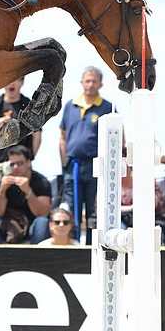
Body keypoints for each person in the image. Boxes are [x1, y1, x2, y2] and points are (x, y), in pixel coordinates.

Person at [59, 67, 114, 244]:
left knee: (93, 210)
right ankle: (71, 245)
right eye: (87, 81)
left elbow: (118, 137)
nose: (90, 85)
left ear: (101, 84)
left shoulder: (107, 107)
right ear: (82, 82)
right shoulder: (70, 105)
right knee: (70, 209)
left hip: (95, 165)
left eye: (94, 81)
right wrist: (64, 161)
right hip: (72, 165)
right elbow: (63, 136)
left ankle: (92, 247)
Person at [0, 78, 42, 215]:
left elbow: (37, 136)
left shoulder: (28, 106)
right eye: (9, 80)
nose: (12, 84)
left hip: (19, 167)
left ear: (22, 82)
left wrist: (29, 159)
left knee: (22, 208)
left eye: (16, 80)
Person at [0, 145, 52, 244]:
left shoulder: (41, 182)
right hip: (9, 227)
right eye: (12, 164)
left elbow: (43, 213)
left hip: (31, 227)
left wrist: (28, 192)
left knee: (42, 222)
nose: (15, 167)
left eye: (20, 163)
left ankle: (37, 257)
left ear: (28, 162)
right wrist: (2, 191)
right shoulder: (4, 182)